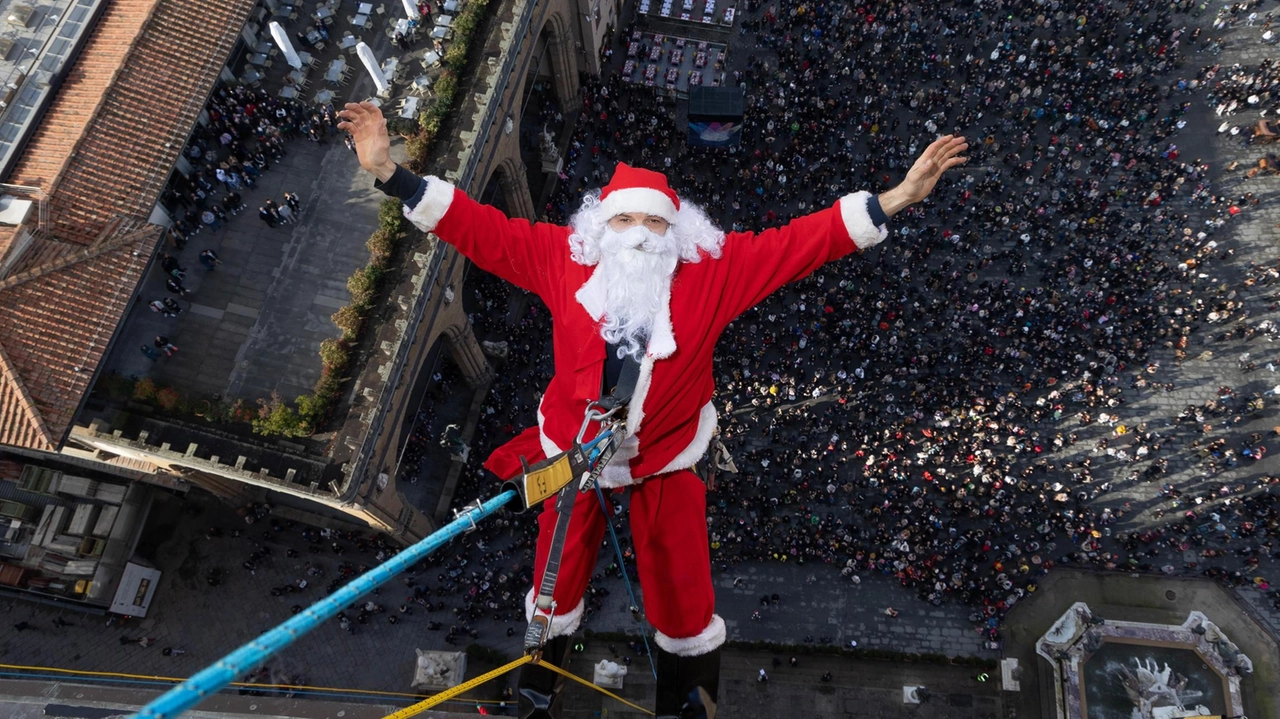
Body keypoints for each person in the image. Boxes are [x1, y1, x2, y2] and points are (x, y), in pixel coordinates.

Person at [341, 100, 965, 719]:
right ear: (600, 228)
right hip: (574, 446)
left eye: (654, 222)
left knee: (682, 583)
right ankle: (536, 695)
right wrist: (389, 171)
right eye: (625, 220)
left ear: (678, 231)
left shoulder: (716, 270)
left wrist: (900, 196)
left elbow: (805, 240)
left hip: (666, 451)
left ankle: (691, 705)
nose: (639, 233)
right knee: (553, 575)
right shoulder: (564, 257)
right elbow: (482, 230)